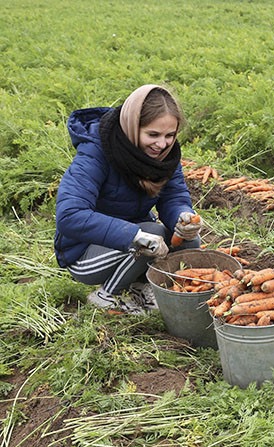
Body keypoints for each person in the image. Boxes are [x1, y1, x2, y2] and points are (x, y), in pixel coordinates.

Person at [55, 84, 203, 314]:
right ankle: (106, 296)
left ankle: (142, 286)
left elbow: (173, 196)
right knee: (150, 235)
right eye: (153, 135)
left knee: (189, 241)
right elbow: (70, 216)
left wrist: (182, 216)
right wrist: (133, 235)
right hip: (84, 253)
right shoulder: (96, 152)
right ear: (133, 127)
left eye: (169, 135)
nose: (162, 144)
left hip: (133, 235)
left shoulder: (166, 155)